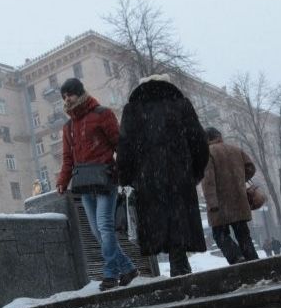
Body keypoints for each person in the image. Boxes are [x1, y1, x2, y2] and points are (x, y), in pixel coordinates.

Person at [116, 74, 210, 277]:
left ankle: (177, 263)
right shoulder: (181, 105)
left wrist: (126, 177)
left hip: (147, 178)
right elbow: (199, 141)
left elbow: (124, 147)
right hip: (180, 174)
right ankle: (179, 263)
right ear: (167, 84)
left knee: (159, 219)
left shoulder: (132, 110)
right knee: (179, 217)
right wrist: (195, 171)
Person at [55, 77, 138, 290]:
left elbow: (119, 145)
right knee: (96, 231)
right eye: (64, 96)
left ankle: (110, 273)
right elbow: (67, 158)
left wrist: (124, 173)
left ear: (80, 92)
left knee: (104, 226)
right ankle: (128, 268)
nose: (67, 99)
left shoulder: (102, 114)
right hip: (84, 183)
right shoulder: (68, 126)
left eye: (70, 94)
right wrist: (62, 181)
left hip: (105, 179)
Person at [200, 127, 259, 265]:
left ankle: (236, 258)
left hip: (220, 203)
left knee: (220, 235)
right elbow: (251, 168)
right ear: (219, 136)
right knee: (243, 236)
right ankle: (255, 263)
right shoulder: (235, 149)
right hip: (239, 200)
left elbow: (208, 181)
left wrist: (212, 203)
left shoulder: (208, 153)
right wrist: (239, 181)